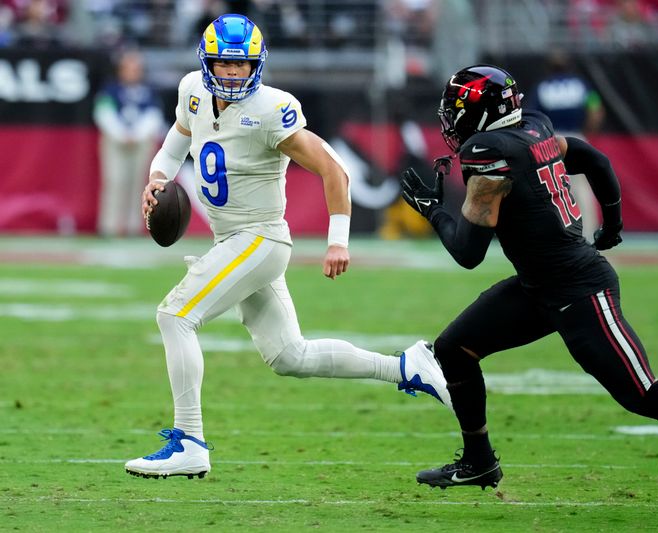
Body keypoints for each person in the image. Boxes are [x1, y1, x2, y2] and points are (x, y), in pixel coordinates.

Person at [401, 65, 658, 524]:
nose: (451, 119)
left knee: (643, 393)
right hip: (539, 285)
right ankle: (479, 461)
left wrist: (432, 211)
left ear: (484, 112)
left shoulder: (488, 151)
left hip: (580, 289)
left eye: (459, 109)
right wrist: (613, 223)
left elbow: (468, 252)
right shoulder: (534, 127)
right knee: (454, 349)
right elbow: (593, 159)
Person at [125, 14, 450, 480]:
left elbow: (333, 168)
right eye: (224, 64)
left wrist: (338, 240)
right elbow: (176, 144)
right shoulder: (192, 91)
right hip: (233, 240)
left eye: (243, 65)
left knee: (175, 315)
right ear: (207, 62)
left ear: (258, 65)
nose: (234, 73)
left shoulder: (271, 107)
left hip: (259, 238)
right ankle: (405, 366)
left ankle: (190, 442)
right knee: (289, 357)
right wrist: (157, 179)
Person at [526, 50, 605, 241]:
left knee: (550, 187)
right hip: (576, 137)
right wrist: (587, 132)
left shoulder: (542, 87)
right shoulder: (581, 85)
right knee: (583, 188)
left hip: (551, 141)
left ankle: (557, 234)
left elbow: (532, 117)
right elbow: (596, 110)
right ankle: (589, 234)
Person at [93, 49, 165, 237]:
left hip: (140, 143)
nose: (133, 71)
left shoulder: (148, 90)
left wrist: (138, 134)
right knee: (114, 181)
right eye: (129, 67)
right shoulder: (111, 89)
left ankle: (134, 226)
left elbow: (154, 116)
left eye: (136, 67)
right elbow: (103, 113)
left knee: (139, 184)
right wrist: (121, 134)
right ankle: (109, 226)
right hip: (116, 143)